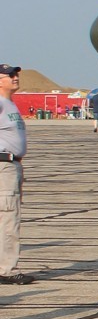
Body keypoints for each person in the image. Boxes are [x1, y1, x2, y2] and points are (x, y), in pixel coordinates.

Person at [0, 65, 34, 284]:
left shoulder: (9, 103)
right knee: (8, 218)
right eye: (10, 75)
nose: (15, 77)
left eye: (16, 74)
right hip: (3, 166)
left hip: (13, 166)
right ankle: (6, 271)